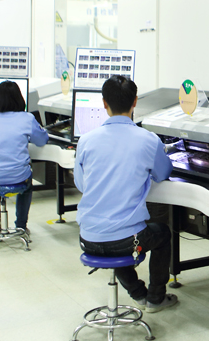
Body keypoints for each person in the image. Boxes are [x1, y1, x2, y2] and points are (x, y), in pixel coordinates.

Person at [73, 75, 177, 312]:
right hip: (128, 241)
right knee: (161, 234)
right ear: (135, 102)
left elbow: (81, 184)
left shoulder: (86, 141)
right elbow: (162, 173)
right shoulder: (148, 140)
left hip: (88, 238)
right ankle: (156, 298)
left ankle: (137, 293)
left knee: (115, 234)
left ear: (104, 103)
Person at [0, 81, 47, 235]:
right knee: (27, 184)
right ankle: (21, 225)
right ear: (19, 99)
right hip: (17, 178)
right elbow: (42, 140)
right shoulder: (27, 118)